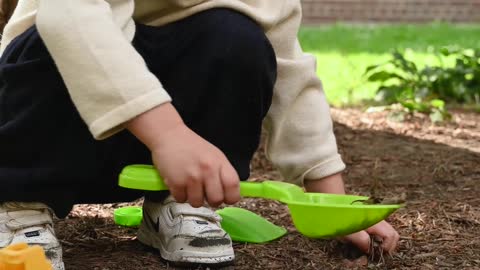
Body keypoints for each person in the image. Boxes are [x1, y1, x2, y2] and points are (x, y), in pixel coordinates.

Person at [0, 0, 400, 269]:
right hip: (57, 127)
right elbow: (70, 17)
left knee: (240, 40)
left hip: (170, 157)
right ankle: (19, 201)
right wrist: (168, 135)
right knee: (58, 38)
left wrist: (330, 201)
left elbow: (290, 72)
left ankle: (181, 202)